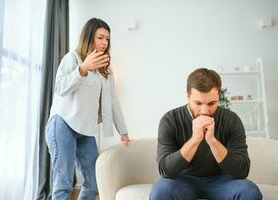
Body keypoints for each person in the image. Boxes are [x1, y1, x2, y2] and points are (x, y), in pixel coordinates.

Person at [45, 18, 130, 200]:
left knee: (93, 183)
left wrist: (122, 130)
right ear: (89, 37)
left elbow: (112, 100)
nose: (104, 43)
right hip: (63, 125)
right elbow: (60, 87)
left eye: (107, 39)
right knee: (63, 184)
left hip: (86, 130)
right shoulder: (72, 58)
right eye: (100, 37)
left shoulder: (105, 69)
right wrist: (82, 69)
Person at [150, 68, 262, 200]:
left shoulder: (231, 120)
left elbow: (242, 171)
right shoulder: (170, 120)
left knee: (250, 191)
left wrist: (212, 141)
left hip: (222, 180)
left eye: (211, 103)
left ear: (218, 97)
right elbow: (165, 170)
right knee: (161, 190)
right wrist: (195, 140)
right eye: (198, 103)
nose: (205, 111)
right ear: (188, 96)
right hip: (182, 180)